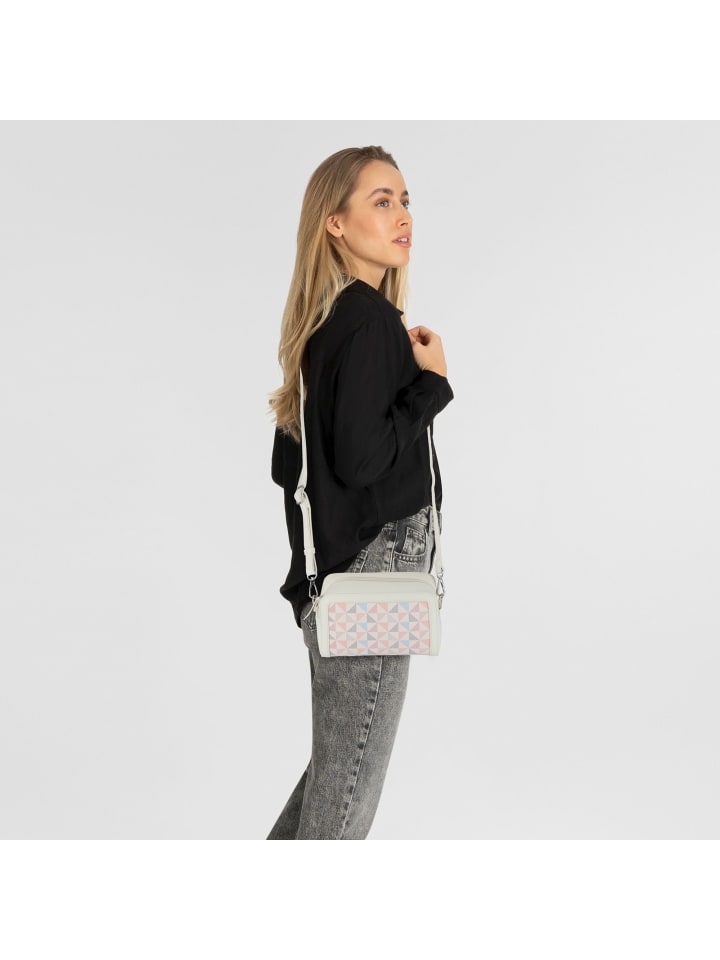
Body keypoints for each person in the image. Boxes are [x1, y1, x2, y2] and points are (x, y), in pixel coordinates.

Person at [266, 145, 454, 839]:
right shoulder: (369, 321)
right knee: (345, 803)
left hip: (342, 574)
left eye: (404, 201)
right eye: (381, 201)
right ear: (335, 222)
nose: (402, 215)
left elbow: (292, 468)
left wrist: (306, 582)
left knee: (332, 780)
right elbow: (364, 457)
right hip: (374, 573)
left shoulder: (325, 325)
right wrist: (432, 385)